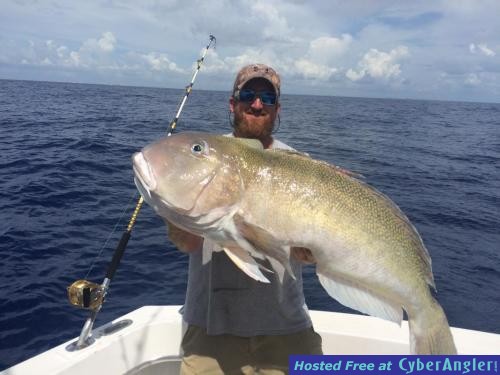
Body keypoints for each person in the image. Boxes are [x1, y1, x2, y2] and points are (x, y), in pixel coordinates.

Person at [167, 64, 322, 375]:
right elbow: (187, 242)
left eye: (267, 97)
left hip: (286, 328)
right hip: (211, 332)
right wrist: (176, 204)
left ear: (277, 108)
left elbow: (310, 254)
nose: (256, 104)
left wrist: (311, 252)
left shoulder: (301, 167)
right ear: (232, 102)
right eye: (248, 94)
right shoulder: (205, 155)